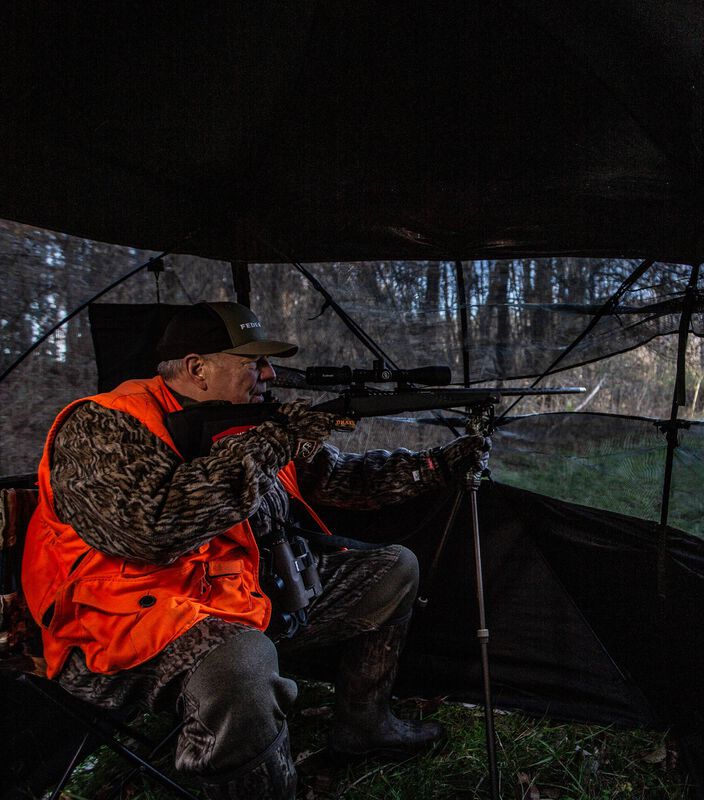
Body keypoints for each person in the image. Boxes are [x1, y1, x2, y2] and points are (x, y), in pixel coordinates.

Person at [21, 301, 490, 799]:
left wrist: (436, 465)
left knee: (393, 569)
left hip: (240, 596)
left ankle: (364, 725)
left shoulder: (245, 420)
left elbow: (338, 478)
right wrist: (272, 441)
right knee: (242, 662)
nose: (269, 374)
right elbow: (153, 531)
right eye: (253, 362)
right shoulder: (103, 426)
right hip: (124, 623)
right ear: (197, 368)